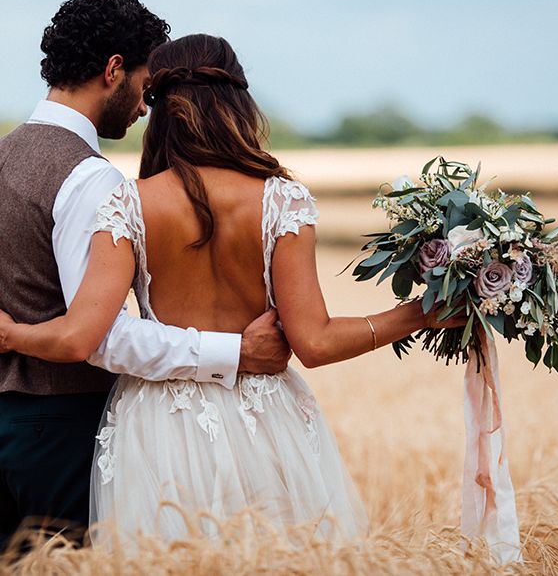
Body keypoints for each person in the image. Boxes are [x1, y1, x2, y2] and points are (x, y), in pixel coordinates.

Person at [0, 33, 465, 543]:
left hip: (154, 427)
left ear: (161, 110)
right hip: (263, 419)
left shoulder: (127, 203)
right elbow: (315, 342)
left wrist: (14, 335)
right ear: (239, 102)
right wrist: (420, 312)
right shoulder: (283, 201)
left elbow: (83, 338)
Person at [0, 0, 290, 551]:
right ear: (114, 70)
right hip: (63, 429)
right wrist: (235, 352)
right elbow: (102, 334)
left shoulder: (6, 154)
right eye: (145, 87)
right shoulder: (90, 179)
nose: (145, 109)